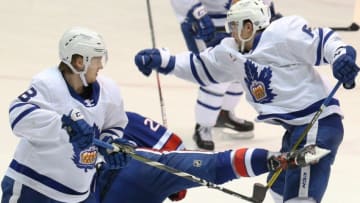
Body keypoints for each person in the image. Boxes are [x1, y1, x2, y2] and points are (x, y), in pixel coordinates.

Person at [134, 0, 360, 202]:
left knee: (302, 193)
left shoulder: (282, 35)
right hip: (295, 129)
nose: (230, 31)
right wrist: (164, 61)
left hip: (319, 124)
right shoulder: (232, 52)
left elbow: (323, 40)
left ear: (249, 26)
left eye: (233, 26)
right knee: (280, 185)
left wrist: (342, 56)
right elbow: (202, 67)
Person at [1, 27, 134, 203]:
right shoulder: (48, 84)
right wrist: (63, 126)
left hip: (81, 194)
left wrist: (110, 144)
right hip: (33, 187)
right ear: (80, 62)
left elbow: (114, 125)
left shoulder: (109, 91)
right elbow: (19, 116)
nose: (101, 65)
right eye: (97, 59)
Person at [85, 111, 329, 203]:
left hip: (131, 175)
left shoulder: (119, 121)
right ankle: (274, 159)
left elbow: (184, 152)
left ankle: (274, 159)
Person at [169, 0, 282, 150]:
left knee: (241, 70)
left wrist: (268, 11)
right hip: (210, 24)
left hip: (246, 23)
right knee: (215, 76)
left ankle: (224, 113)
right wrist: (196, 13)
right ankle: (204, 125)